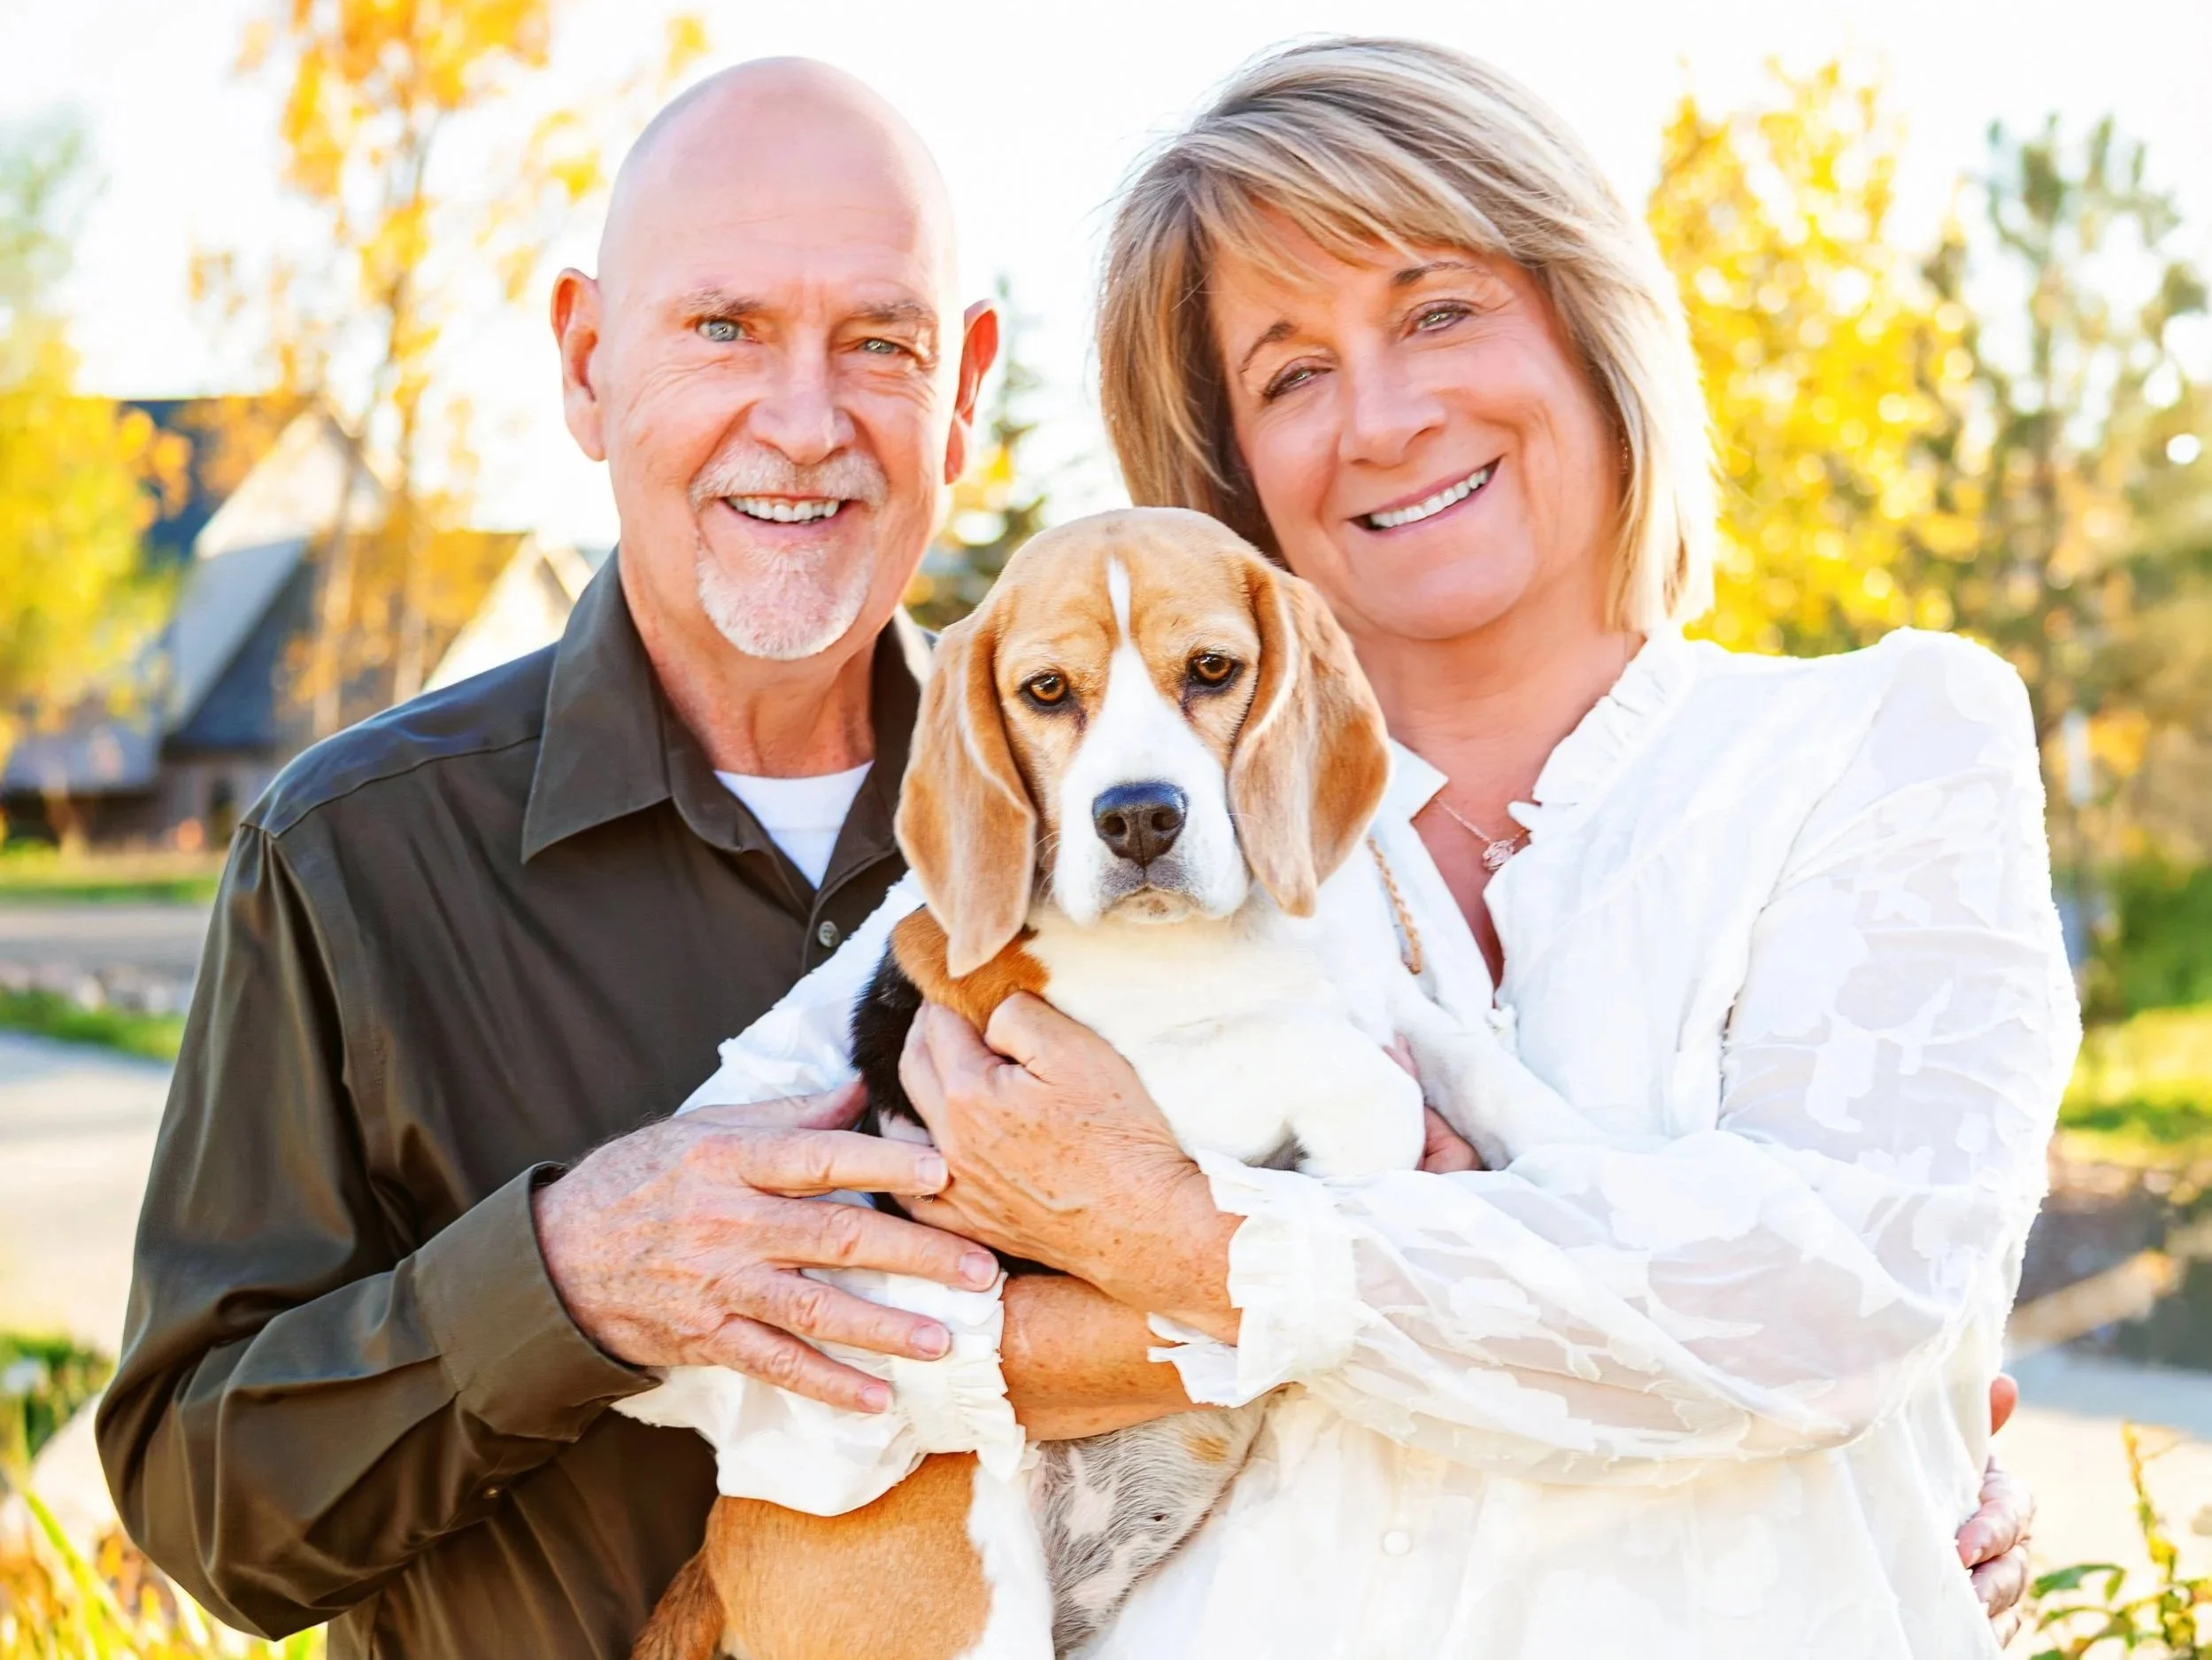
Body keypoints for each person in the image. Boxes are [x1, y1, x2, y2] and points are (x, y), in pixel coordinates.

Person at [663, 36, 2069, 1658]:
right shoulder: (1098, 839)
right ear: (1232, 460)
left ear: (1588, 322)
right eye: (1289, 373)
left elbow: (1825, 1304)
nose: (1386, 418)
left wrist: (1178, 1244)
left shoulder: (1878, 746)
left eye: (1436, 310)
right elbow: (708, 1300)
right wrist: (1132, 1320)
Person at [96, 61, 1013, 1659]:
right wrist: (562, 1282)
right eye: (722, 328)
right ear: (588, 364)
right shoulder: (354, 860)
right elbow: (207, 1507)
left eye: (880, 341)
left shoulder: (1101, 842)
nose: (803, 421)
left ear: (965, 392)